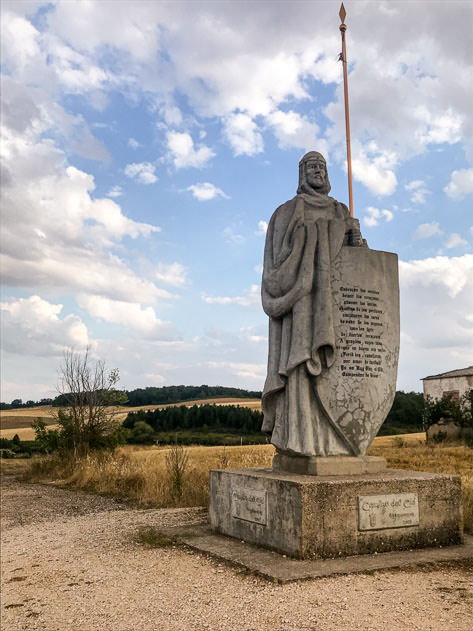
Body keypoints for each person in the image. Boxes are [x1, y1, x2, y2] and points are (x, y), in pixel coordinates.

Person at [261, 151, 366, 457]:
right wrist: (321, 233)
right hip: (301, 308)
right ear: (301, 173)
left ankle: (334, 443)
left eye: (321, 166)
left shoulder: (340, 210)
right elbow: (279, 264)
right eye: (312, 166)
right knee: (301, 370)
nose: (318, 170)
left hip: (335, 310)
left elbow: (354, 259)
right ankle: (300, 437)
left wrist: (354, 234)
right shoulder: (288, 211)